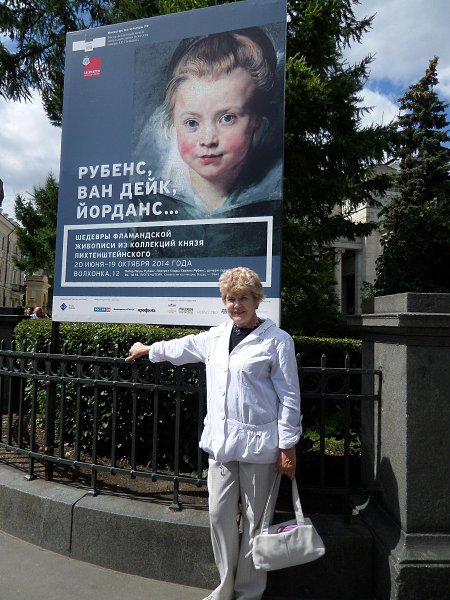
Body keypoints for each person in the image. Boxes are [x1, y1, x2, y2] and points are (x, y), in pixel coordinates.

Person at [126, 267, 301, 600]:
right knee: (219, 515)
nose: (237, 305)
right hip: (221, 443)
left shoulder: (277, 341)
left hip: (260, 446)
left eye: (244, 298)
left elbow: (290, 396)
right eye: (231, 299)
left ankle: (248, 591)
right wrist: (149, 348)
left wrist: (288, 445)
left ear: (256, 300)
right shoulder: (217, 336)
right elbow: (183, 346)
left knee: (255, 521)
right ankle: (225, 588)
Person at [135, 27, 282, 219]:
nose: (208, 139)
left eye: (227, 118)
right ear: (172, 127)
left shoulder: (270, 197)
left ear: (258, 125)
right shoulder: (148, 201)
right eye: (192, 123)